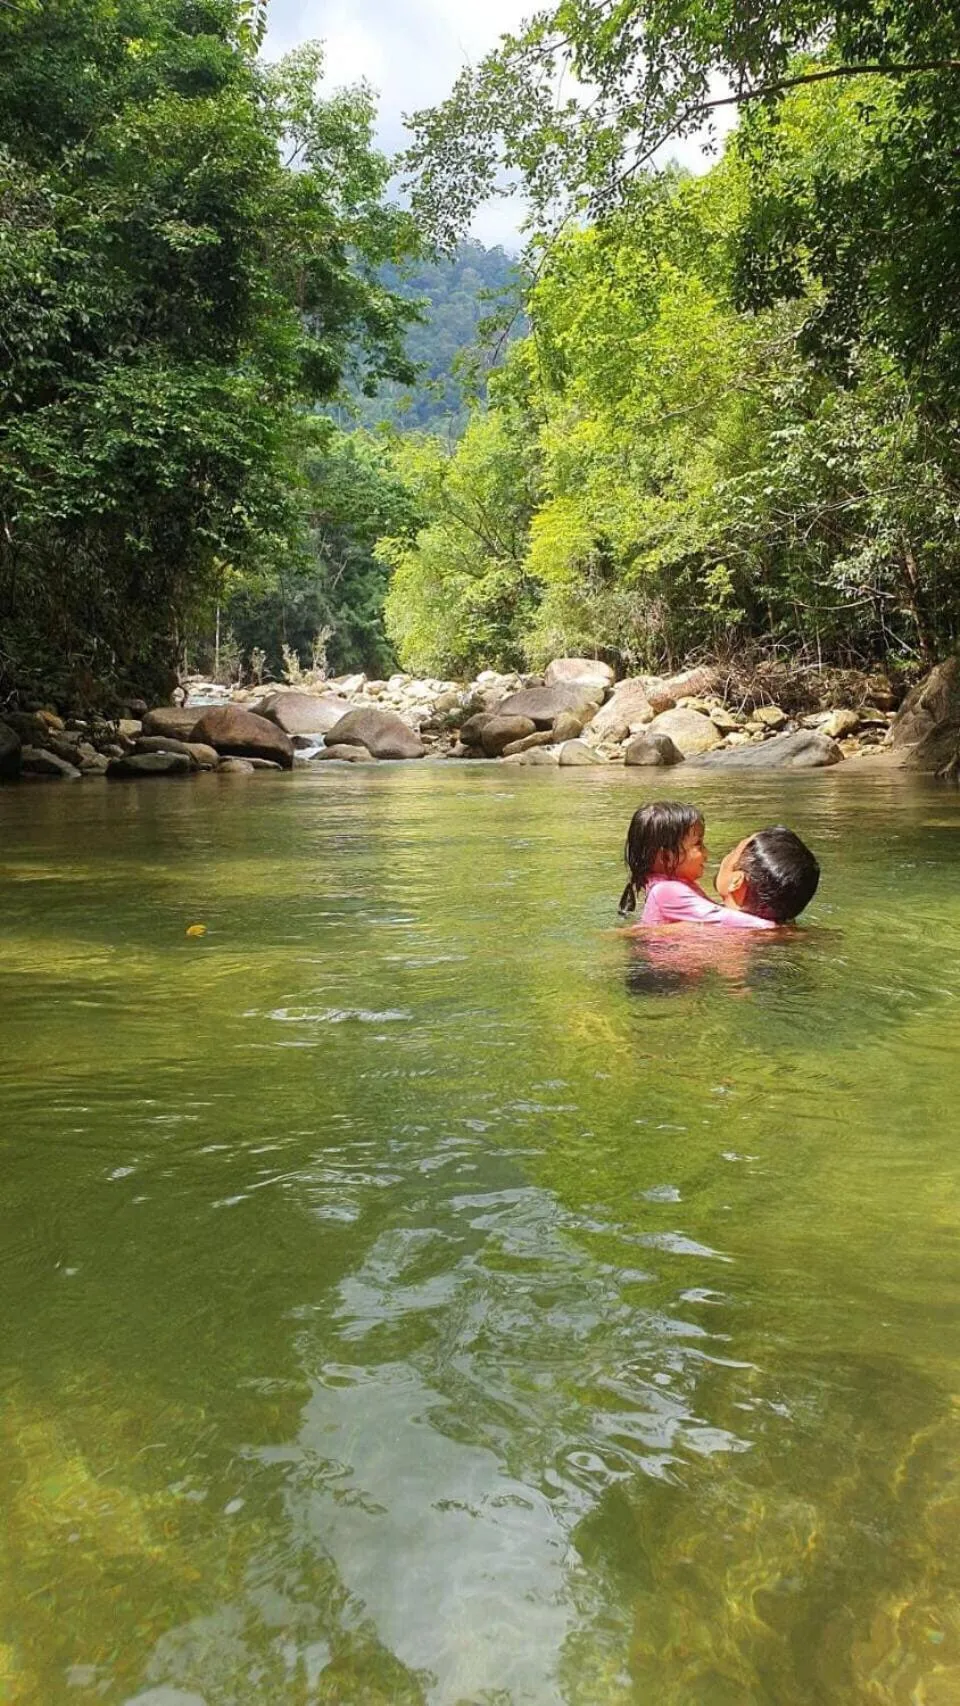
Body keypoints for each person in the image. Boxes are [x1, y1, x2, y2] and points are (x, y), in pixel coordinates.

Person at [618, 801, 819, 928]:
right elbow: (720, 917)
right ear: (668, 858)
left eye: (732, 852)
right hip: (662, 980)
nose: (707, 853)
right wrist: (773, 928)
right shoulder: (666, 890)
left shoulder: (675, 887)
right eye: (699, 844)